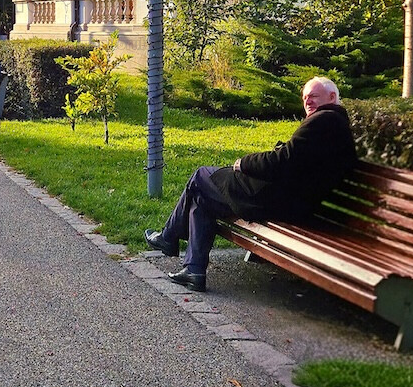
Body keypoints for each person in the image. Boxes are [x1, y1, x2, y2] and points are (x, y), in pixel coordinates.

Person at [143, 76, 357, 293]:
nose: (307, 101)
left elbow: (281, 160)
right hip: (293, 200)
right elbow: (295, 160)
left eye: (313, 96)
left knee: (201, 176)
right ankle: (193, 270)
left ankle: (169, 238)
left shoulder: (325, 120)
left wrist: (243, 163)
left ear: (332, 97)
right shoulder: (334, 124)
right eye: (304, 98)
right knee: (202, 199)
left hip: (279, 203)